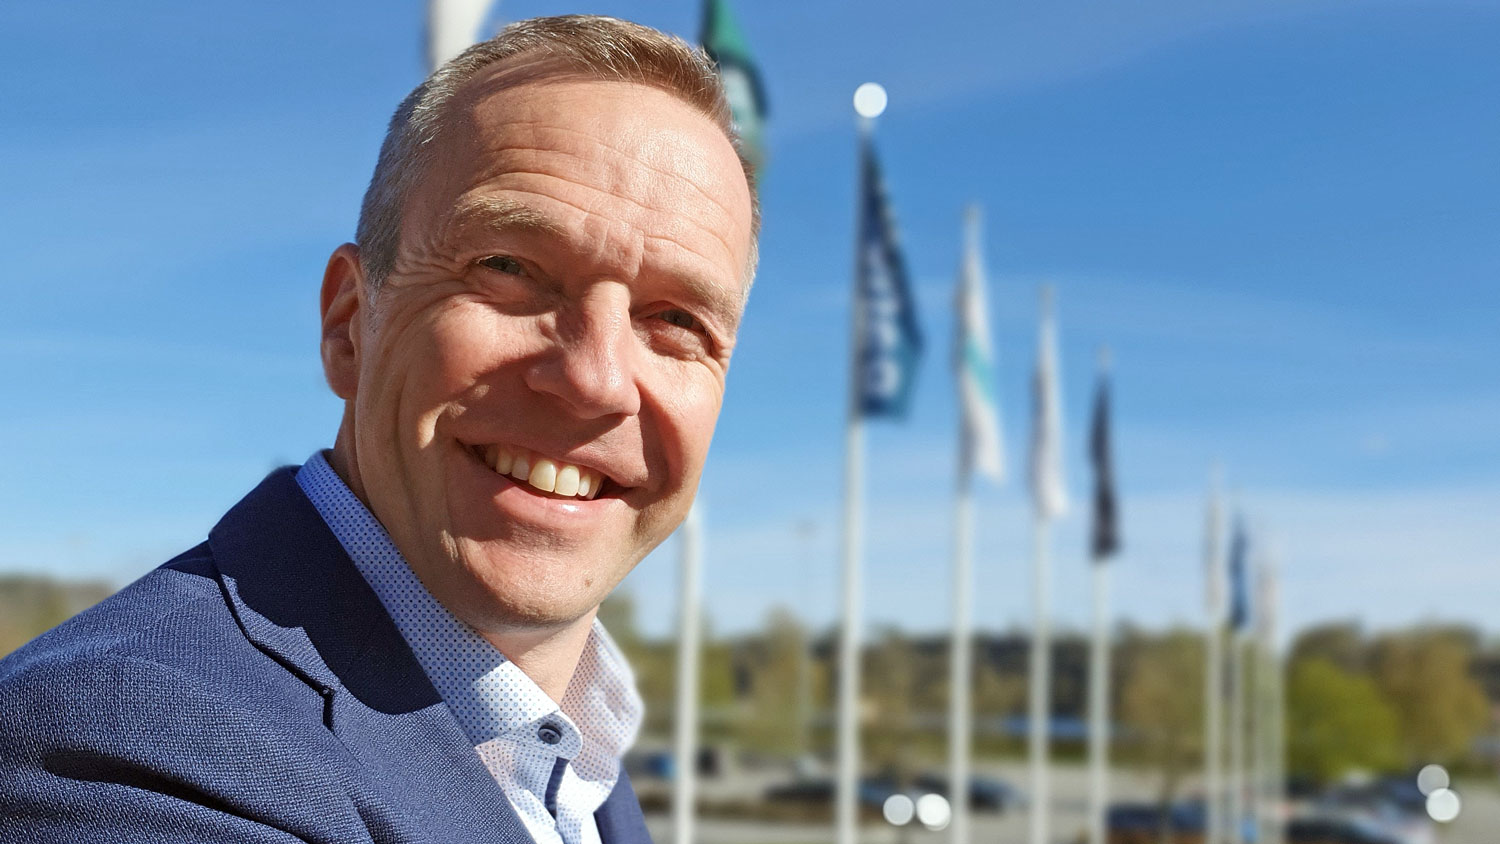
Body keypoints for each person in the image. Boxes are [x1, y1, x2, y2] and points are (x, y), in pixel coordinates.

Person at [0, 15, 758, 844]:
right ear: (350, 323)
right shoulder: (128, 748)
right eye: (507, 268)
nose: (596, 380)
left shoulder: (567, 753)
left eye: (677, 319)